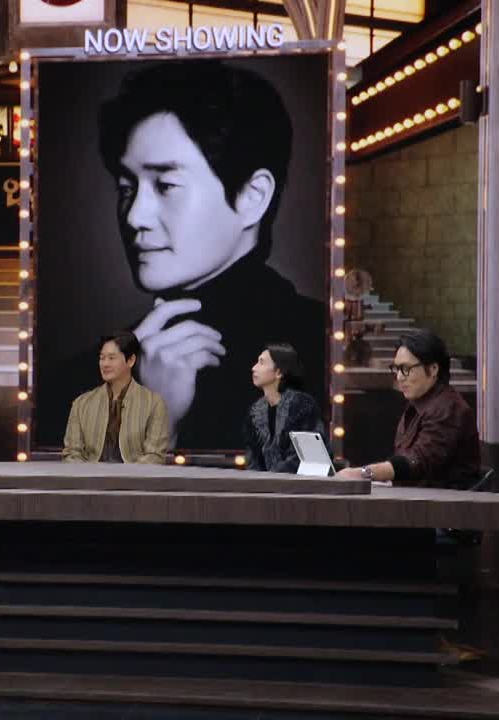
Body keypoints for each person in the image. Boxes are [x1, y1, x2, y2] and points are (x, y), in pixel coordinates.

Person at [39, 59, 326, 451]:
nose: (134, 216)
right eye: (126, 188)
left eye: (166, 185)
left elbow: (313, 477)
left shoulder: (318, 351)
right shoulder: (83, 376)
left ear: (252, 196)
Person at [337, 330, 480, 488]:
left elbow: (416, 460)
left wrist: (363, 473)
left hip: (443, 501)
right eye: (397, 369)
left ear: (433, 369)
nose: (399, 377)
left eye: (406, 369)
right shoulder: (419, 404)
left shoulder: (448, 408)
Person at [62, 331, 170, 463]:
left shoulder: (154, 404)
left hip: (136, 476)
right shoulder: (82, 404)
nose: (105, 364)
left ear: (130, 360)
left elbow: (154, 455)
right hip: (90, 475)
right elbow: (72, 454)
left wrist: (128, 475)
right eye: (102, 358)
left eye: (111, 358)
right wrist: (90, 474)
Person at [243, 343, 326, 473]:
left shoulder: (302, 405)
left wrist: (270, 478)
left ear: (279, 372)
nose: (254, 368)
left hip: (301, 482)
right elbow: (253, 460)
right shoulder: (255, 412)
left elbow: (305, 458)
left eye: (262, 363)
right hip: (267, 483)